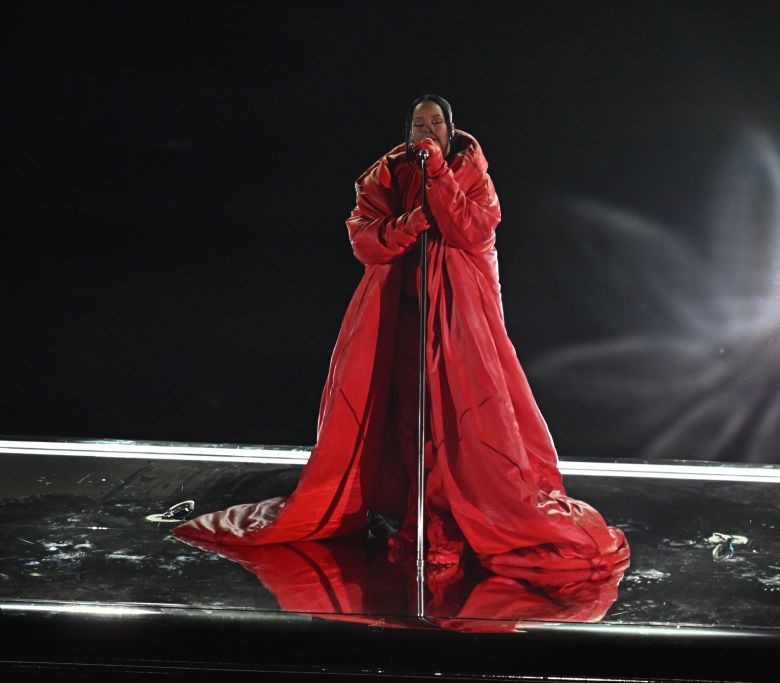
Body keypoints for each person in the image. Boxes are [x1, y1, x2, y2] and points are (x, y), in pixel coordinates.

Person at [172, 94, 629, 576]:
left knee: (461, 412)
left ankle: (458, 511)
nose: (427, 132)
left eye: (436, 123)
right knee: (408, 413)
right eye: (418, 125)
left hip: (459, 322)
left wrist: (438, 178)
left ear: (451, 130)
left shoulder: (473, 175)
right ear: (408, 132)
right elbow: (364, 238)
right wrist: (407, 225)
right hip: (401, 316)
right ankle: (413, 509)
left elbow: (470, 231)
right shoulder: (384, 175)